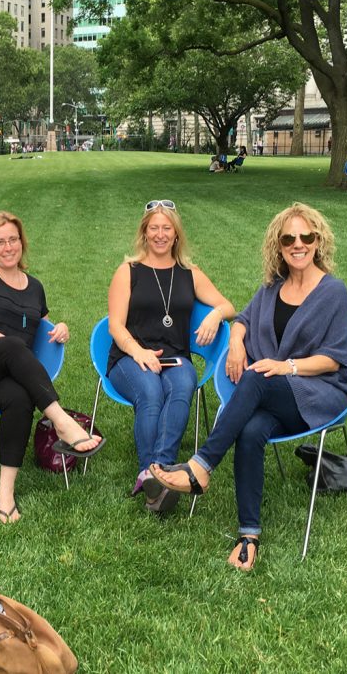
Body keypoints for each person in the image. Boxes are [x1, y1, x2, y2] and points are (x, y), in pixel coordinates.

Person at [151, 203, 347, 572]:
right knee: (250, 430)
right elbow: (243, 318)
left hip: (318, 393)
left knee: (259, 375)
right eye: (289, 238)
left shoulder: (333, 292)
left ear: (318, 242)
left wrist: (285, 366)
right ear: (278, 246)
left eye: (306, 237)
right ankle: (248, 536)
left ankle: (201, 465)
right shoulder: (272, 288)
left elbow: (335, 359)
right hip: (275, 394)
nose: (298, 244)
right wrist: (235, 342)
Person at [0, 211, 104, 524]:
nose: (7, 247)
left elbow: (40, 327)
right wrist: (8, 345)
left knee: (19, 398)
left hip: (5, 376)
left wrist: (62, 328)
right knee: (14, 344)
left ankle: (4, 494)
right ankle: (62, 422)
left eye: (12, 239)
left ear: (21, 242)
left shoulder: (35, 287)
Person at [107, 200, 235, 513]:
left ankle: (156, 474)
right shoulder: (128, 271)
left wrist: (215, 315)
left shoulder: (190, 273)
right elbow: (115, 326)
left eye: (167, 229)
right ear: (144, 233)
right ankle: (154, 474)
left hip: (177, 357)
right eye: (155, 228)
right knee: (150, 391)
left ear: (176, 235)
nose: (161, 235)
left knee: (181, 386)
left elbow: (228, 305)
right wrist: (139, 352)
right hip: (129, 358)